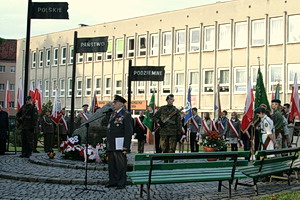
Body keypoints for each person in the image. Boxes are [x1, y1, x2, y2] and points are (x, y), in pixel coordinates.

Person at [106, 95, 133, 189]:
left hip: (120, 143)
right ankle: (113, 181)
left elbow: (128, 131)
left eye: (115, 102)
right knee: (112, 164)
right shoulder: (112, 114)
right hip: (112, 143)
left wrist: (126, 145)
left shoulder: (126, 114)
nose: (113, 104)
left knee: (120, 164)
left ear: (121, 104)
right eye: (113, 102)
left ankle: (121, 182)